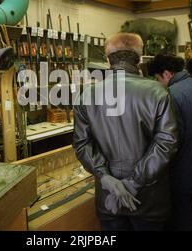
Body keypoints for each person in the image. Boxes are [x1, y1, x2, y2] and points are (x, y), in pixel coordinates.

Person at [73, 33, 178, 231]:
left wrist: (105, 178)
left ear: (107, 60)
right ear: (139, 59)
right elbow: (166, 143)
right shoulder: (158, 91)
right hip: (149, 196)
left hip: (109, 196)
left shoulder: (87, 94)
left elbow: (82, 144)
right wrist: (134, 182)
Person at [147, 54, 192, 231]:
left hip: (184, 166)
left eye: (157, 78)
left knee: (181, 215)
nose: (158, 83)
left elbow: (173, 138)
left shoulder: (172, 94)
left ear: (166, 74)